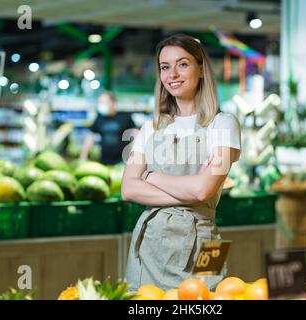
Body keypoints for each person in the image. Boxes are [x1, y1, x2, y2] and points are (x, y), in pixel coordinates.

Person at [122, 34, 241, 292]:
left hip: (206, 240)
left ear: (201, 69)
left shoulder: (224, 125)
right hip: (150, 242)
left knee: (207, 301)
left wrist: (150, 176)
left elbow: (203, 190)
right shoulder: (150, 127)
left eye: (183, 64)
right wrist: (190, 190)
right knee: (145, 304)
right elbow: (128, 189)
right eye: (165, 67)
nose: (172, 74)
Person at [80, 91, 136, 165]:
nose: (101, 105)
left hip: (122, 161)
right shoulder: (99, 118)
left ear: (113, 103)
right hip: (104, 161)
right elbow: (90, 137)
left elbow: (135, 135)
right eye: (99, 102)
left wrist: (134, 156)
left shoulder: (125, 117)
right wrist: (83, 157)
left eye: (104, 102)